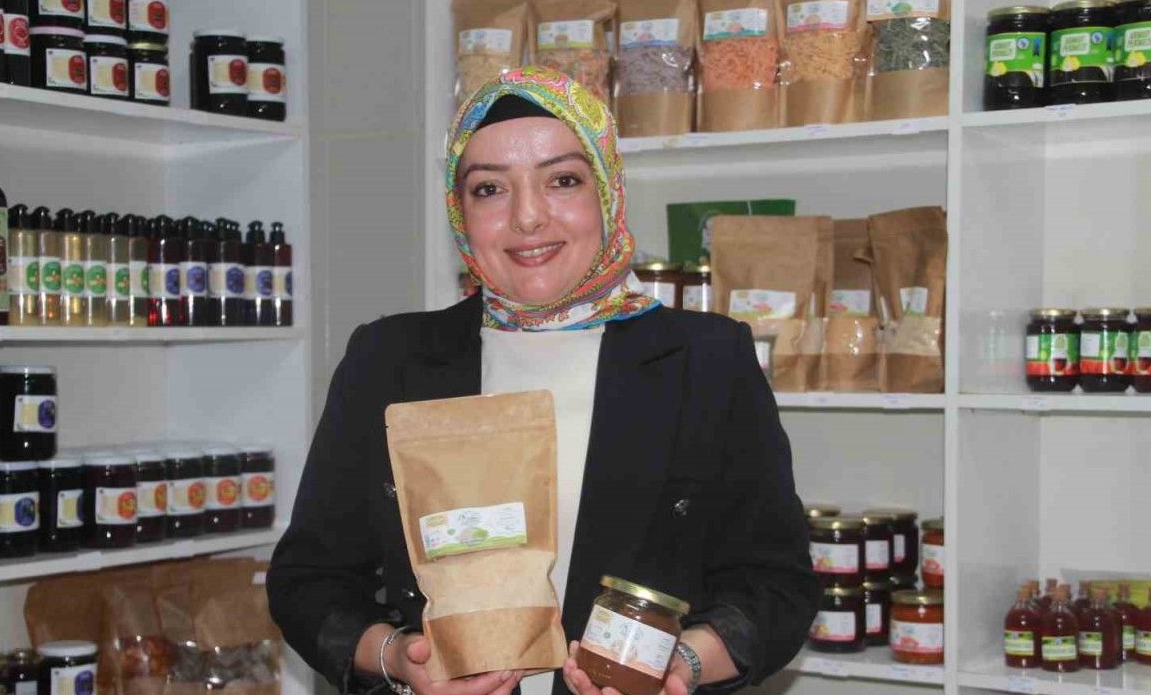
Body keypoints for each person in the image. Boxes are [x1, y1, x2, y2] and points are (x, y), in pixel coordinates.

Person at [267, 66, 818, 695]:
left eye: (562, 180)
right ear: (459, 212)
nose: (527, 217)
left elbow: (775, 586)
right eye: (489, 189)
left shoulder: (707, 361)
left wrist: (680, 665)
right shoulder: (389, 360)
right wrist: (398, 658)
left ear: (606, 190)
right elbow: (309, 581)